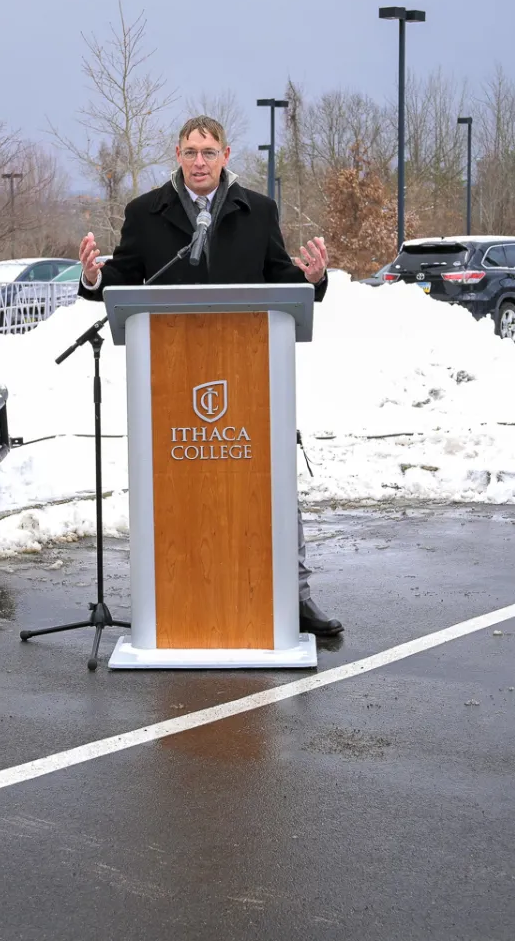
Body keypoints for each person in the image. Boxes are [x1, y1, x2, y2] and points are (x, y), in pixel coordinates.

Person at [78, 115, 342, 637]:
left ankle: (296, 597)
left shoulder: (257, 211)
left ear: (226, 155)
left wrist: (313, 279)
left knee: (272, 489)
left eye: (209, 152)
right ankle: (178, 600)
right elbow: (126, 279)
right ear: (177, 154)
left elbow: (282, 282)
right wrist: (94, 279)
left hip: (251, 387)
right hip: (170, 388)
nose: (199, 162)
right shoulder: (144, 215)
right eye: (190, 152)